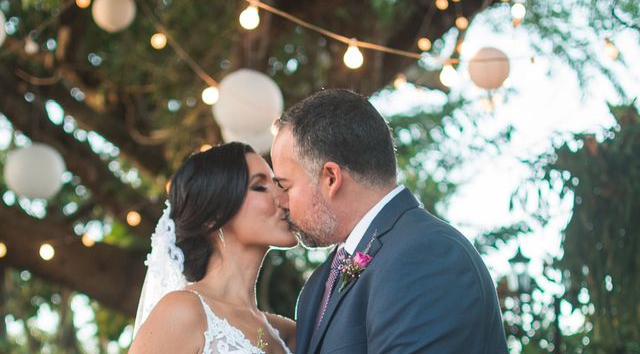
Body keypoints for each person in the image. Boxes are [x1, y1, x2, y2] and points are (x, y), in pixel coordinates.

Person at [270, 89, 509, 354]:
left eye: (285, 186)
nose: (281, 202)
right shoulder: (319, 284)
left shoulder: (426, 255)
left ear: (330, 178)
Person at [130, 142, 297, 354]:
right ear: (212, 217)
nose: (285, 199)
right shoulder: (182, 312)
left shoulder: (286, 334)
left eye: (279, 185)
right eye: (259, 187)